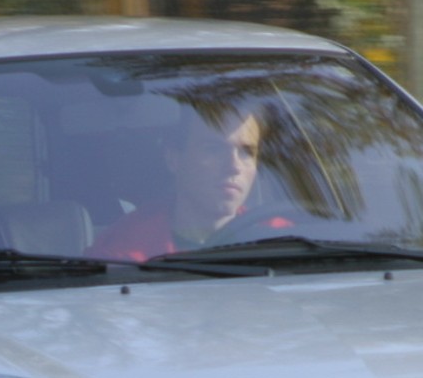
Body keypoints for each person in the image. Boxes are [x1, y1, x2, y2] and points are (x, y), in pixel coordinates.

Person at [86, 104, 284, 262]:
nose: (234, 167)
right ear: (174, 159)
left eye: (246, 152)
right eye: (214, 149)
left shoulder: (283, 240)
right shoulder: (119, 252)